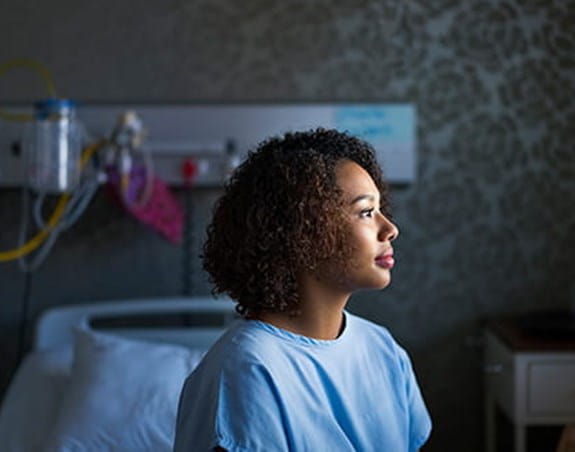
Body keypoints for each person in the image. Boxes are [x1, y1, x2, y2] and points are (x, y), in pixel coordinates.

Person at [174, 128, 431, 452]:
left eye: (381, 210)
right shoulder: (247, 370)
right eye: (366, 212)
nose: (390, 229)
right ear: (304, 232)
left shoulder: (384, 350)